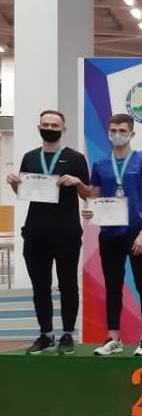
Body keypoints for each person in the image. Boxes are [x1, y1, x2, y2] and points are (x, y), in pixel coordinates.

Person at [9, 110, 92, 355]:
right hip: (35, 232)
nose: (50, 128)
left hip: (67, 232)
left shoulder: (76, 158)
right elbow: (24, 193)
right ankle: (46, 334)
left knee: (68, 284)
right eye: (45, 124)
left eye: (55, 125)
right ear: (39, 128)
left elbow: (88, 194)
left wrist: (78, 182)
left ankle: (67, 334)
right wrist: (14, 185)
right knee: (40, 286)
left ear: (63, 129)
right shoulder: (30, 157)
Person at [82, 113, 142, 356]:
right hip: (109, 233)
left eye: (122, 130)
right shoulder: (100, 165)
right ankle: (113, 338)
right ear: (108, 133)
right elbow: (93, 197)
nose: (117, 134)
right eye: (113, 130)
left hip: (136, 231)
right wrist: (88, 207)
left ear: (132, 133)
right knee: (113, 287)